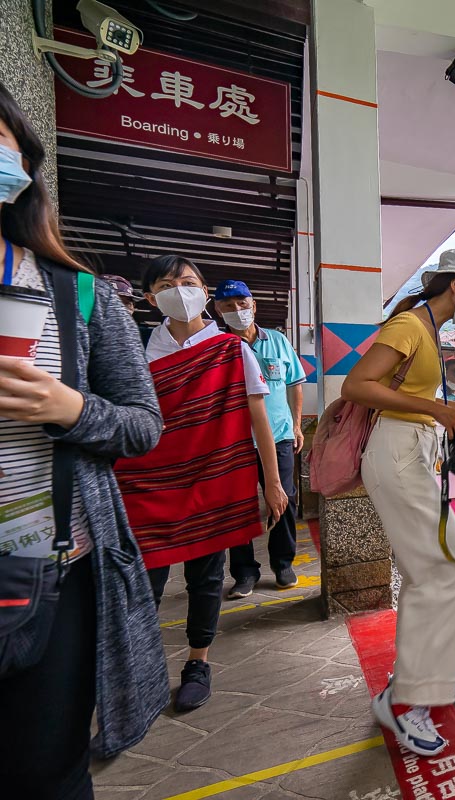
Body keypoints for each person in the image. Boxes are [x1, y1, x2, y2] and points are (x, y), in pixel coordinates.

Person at [0, 83, 168, 798]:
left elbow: (142, 423)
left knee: (47, 772)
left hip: (51, 574)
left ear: (25, 163)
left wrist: (73, 410)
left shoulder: (80, 295)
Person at [342, 248, 455, 757]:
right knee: (452, 571)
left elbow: (419, 401)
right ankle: (408, 701)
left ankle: (406, 688)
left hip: (411, 450)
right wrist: (436, 407)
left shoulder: (428, 330)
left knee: (432, 572)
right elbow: (358, 385)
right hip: (397, 454)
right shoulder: (410, 325)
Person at [117, 255, 287, 713]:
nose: (179, 288)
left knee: (205, 576)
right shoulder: (135, 352)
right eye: (167, 283)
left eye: (188, 281)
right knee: (143, 581)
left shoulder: (232, 351)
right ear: (151, 298)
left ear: (204, 292)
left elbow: (258, 420)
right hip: (149, 483)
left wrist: (272, 482)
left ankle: (198, 662)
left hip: (214, 477)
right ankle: (140, 669)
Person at [212, 280, 305, 596]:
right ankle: (244, 573)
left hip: (278, 435)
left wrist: (296, 425)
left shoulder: (277, 341)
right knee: (239, 505)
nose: (237, 310)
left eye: (242, 302)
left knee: (284, 498)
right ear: (217, 310)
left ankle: (283, 563)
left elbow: (294, 383)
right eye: (228, 305)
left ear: (253, 304)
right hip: (234, 440)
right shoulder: (217, 345)